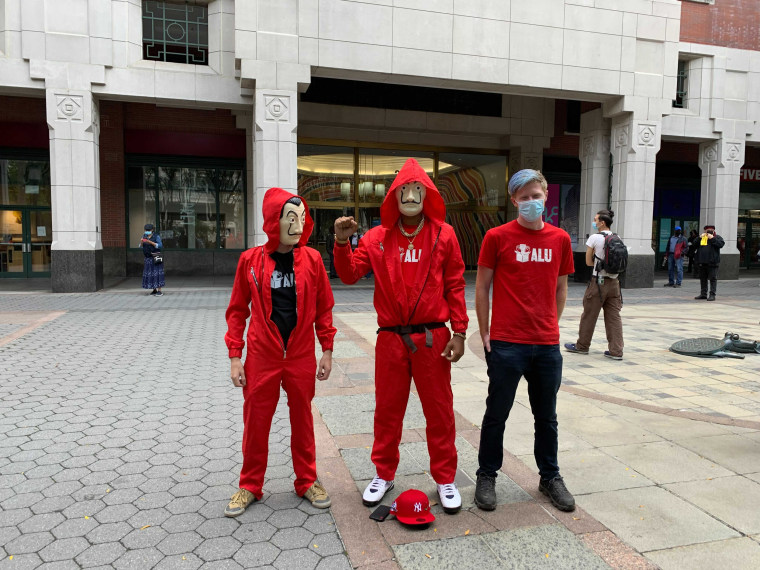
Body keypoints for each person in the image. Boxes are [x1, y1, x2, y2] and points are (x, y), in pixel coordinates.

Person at [333, 158, 468, 514]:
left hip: (432, 337)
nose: (410, 195)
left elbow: (455, 284)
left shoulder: (444, 235)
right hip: (391, 339)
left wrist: (461, 331)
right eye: (404, 190)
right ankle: (384, 473)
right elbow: (348, 275)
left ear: (428, 195)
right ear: (394, 195)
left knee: (439, 410)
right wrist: (341, 243)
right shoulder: (377, 238)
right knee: (388, 409)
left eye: (417, 189)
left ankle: (444, 477)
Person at [223, 188, 337, 517]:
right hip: (262, 355)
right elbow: (236, 311)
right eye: (290, 218)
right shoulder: (250, 260)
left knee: (302, 419)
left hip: (300, 354)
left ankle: (307, 480)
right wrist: (235, 356)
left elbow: (323, 308)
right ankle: (249, 485)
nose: (298, 225)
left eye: (302, 218)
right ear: (274, 221)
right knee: (256, 421)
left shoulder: (313, 260)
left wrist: (326, 349)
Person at [474, 169, 576, 513]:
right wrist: (485, 331)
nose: (531, 202)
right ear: (513, 199)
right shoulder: (497, 237)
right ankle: (487, 475)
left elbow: (561, 289)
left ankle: (550, 476)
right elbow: (482, 286)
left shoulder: (560, 239)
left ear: (546, 197)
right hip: (506, 344)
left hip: (545, 345)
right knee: (496, 414)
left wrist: (551, 325)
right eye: (524, 196)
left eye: (537, 195)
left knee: (546, 417)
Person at [564, 209, 624, 360]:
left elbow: (588, 261)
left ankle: (582, 346)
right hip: (615, 283)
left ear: (602, 222)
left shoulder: (594, 238)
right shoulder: (617, 237)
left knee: (589, 315)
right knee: (614, 317)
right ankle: (616, 351)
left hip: (598, 282)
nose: (594, 222)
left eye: (596, 219)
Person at [694, 224, 724, 301]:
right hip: (702, 262)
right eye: (707, 230)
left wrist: (712, 238)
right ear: (705, 231)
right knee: (703, 279)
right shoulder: (702, 238)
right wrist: (699, 237)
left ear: (714, 230)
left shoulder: (717, 237)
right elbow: (694, 244)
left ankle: (712, 295)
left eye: (711, 230)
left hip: (712, 262)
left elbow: (721, 244)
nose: (709, 232)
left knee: (713, 279)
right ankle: (703, 294)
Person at [141, 223, 164, 296]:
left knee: (158, 273)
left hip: (156, 255)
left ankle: (159, 291)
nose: (147, 231)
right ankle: (154, 289)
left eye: (149, 230)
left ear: (152, 230)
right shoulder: (144, 236)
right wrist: (141, 242)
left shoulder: (156, 236)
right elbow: (141, 246)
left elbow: (160, 245)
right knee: (150, 273)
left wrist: (150, 242)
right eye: (146, 230)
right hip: (148, 257)